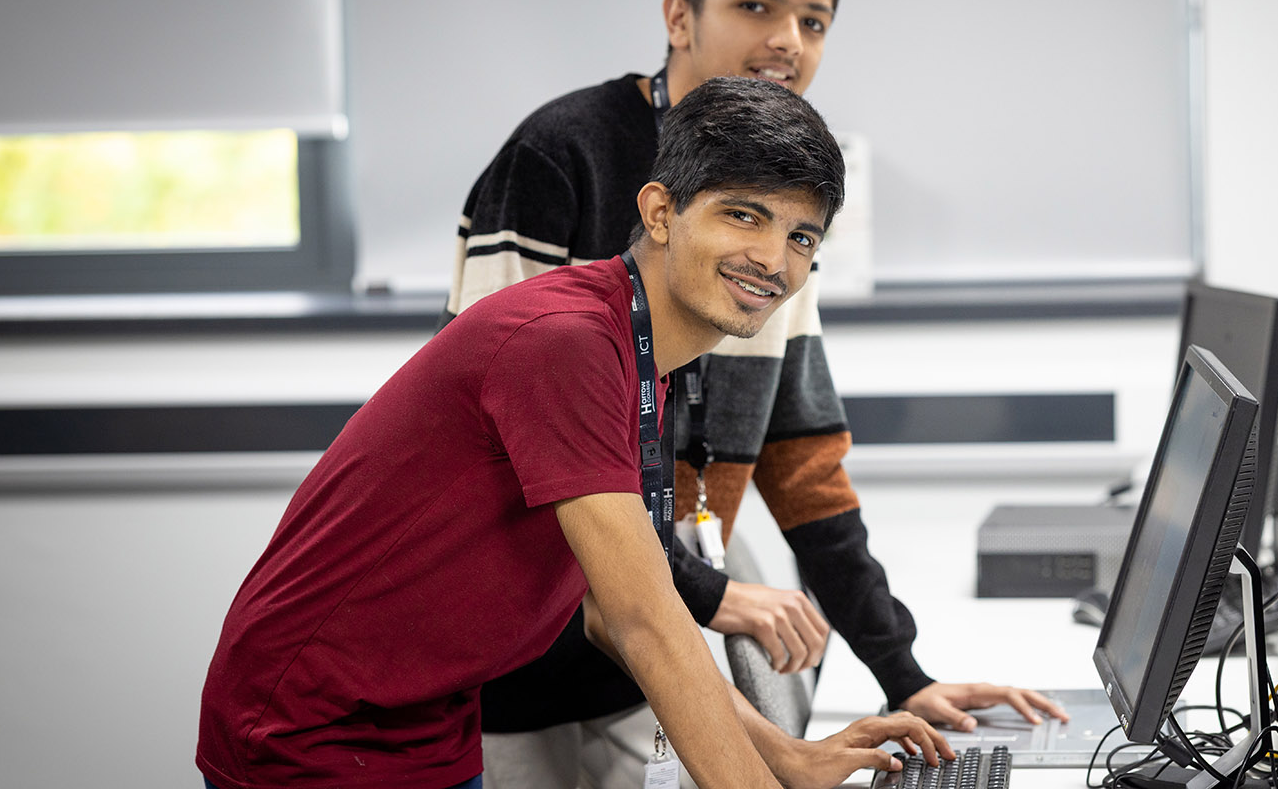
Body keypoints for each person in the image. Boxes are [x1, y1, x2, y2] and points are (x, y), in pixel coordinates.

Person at [198, 77, 950, 789]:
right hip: (313, 728)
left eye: (801, 237)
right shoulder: (566, 343)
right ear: (660, 211)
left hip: (427, 717)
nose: (773, 260)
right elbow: (644, 623)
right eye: (744, 215)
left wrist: (786, 757)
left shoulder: (638, 350)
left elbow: (613, 611)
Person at [447, 0, 1067, 784]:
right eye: (755, 5)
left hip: (643, 647)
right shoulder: (561, 157)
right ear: (678, 18)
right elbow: (508, 446)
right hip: (511, 650)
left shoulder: (780, 209)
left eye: (813, 21)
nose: (787, 42)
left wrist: (903, 673)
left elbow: (804, 466)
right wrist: (708, 593)